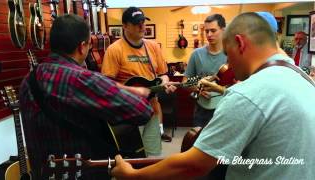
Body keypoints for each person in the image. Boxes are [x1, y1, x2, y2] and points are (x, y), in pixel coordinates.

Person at [111, 12, 315, 180]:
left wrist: (132, 175)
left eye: (228, 53)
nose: (229, 66)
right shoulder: (304, 79)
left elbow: (191, 166)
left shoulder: (246, 95)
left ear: (239, 43)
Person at [19, 14, 154, 179]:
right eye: (89, 44)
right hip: (83, 173)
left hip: (42, 174)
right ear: (82, 46)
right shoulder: (82, 79)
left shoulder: (28, 80)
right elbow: (143, 111)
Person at [101, 7, 176, 155]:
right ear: (125, 26)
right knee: (132, 158)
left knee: (153, 156)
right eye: (136, 23)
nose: (142, 26)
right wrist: (134, 90)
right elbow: (106, 85)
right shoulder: (114, 50)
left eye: (143, 22)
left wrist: (163, 82)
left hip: (152, 112)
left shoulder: (153, 46)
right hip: (128, 116)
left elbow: (164, 74)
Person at [184, 14, 228, 127]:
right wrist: (198, 89)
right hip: (202, 111)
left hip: (226, 109)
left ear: (223, 30)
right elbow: (185, 81)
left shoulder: (231, 54)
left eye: (213, 31)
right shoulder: (197, 54)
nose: (209, 35)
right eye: (207, 31)